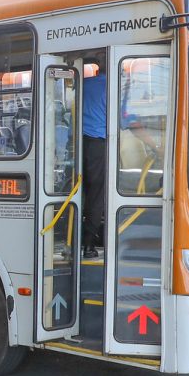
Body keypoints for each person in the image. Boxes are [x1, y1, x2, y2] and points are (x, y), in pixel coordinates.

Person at [80, 57, 107, 257]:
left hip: (77, 144)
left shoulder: (84, 84)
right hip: (98, 144)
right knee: (96, 195)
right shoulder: (113, 86)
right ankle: (88, 244)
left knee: (80, 192)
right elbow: (123, 121)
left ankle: (73, 239)